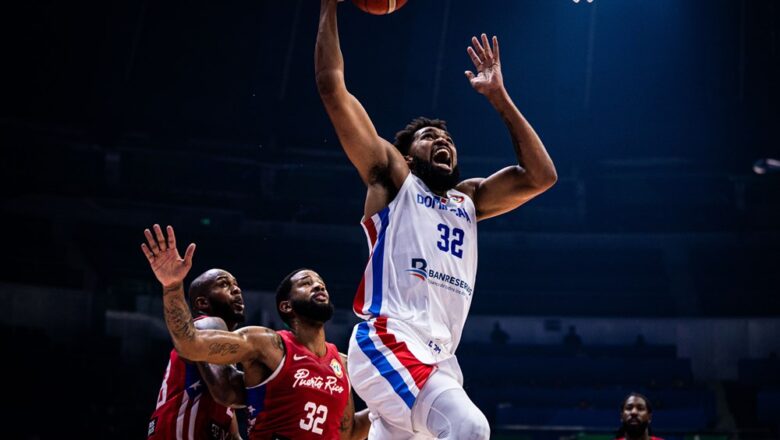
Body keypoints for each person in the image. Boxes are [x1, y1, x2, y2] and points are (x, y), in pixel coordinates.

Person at [315, 1, 557, 438]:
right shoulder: (393, 180)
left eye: (447, 138)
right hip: (390, 340)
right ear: (408, 155)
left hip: (440, 356)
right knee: (470, 428)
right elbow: (333, 88)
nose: (442, 140)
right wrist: (329, 8)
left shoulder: (469, 199)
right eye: (430, 138)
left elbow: (541, 177)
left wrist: (500, 99)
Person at [141, 224, 370, 440]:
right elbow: (223, 384)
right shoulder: (216, 327)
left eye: (321, 282)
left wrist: (396, 407)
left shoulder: (341, 364)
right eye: (224, 284)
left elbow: (345, 433)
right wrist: (172, 286)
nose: (236, 289)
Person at [146, 264, 246, 439]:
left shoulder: (225, 351)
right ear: (202, 303)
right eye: (224, 284)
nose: (236, 289)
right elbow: (226, 391)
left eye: (236, 284)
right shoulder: (208, 324)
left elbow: (234, 433)